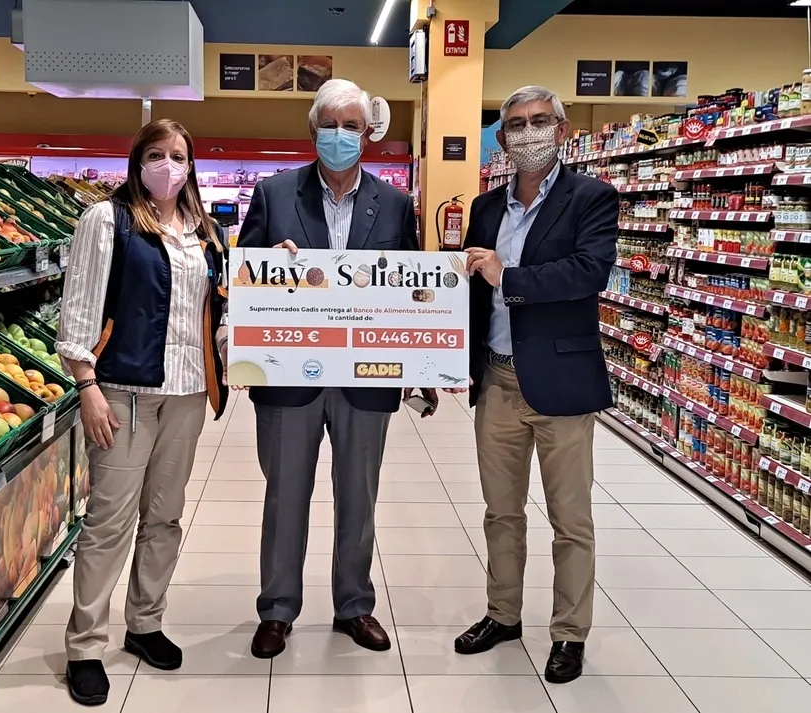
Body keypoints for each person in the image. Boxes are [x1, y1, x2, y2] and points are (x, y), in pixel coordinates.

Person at [237, 78, 428, 659]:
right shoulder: (274, 195)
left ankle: (355, 605)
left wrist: (424, 364)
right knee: (285, 495)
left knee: (359, 497)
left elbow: (415, 294)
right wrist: (265, 269)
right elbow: (241, 281)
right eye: (330, 125)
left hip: (366, 377)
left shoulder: (394, 205)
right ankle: (277, 609)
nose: (340, 135)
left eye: (351, 125)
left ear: (368, 134)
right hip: (289, 378)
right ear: (312, 130)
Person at [57, 118, 229, 706]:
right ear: (137, 161)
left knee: (164, 517)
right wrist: (86, 384)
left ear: (191, 166)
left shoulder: (207, 233)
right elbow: (79, 308)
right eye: (157, 154)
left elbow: (218, 311)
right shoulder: (108, 220)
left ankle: (144, 624)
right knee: (109, 520)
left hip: (187, 393)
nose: (168, 166)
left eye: (178, 156)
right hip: (122, 392)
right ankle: (85, 646)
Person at [451, 86, 618, 684]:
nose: (528, 133)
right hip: (496, 379)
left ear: (562, 129)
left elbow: (588, 272)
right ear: (502, 138)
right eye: (516, 124)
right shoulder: (484, 207)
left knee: (570, 519)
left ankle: (570, 632)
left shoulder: (591, 197)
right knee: (501, 511)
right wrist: (444, 360)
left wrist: (509, 276)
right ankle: (503, 614)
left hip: (562, 383)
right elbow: (469, 291)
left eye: (540, 121)